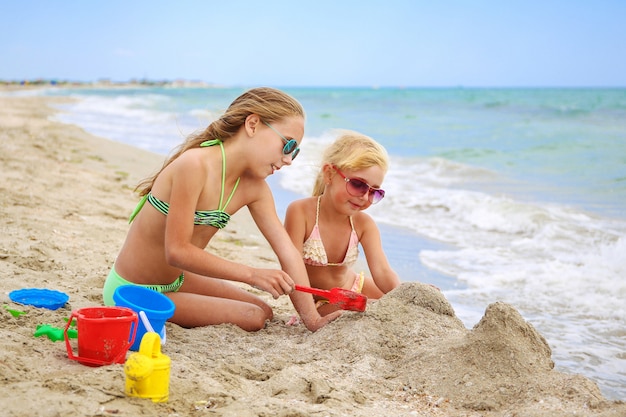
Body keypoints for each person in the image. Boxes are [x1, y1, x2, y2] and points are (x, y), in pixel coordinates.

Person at [103, 87, 340, 332]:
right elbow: (176, 251)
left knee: (265, 311)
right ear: (253, 124)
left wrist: (312, 319)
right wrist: (252, 274)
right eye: (288, 145)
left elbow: (288, 252)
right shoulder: (194, 165)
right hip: (132, 291)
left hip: (175, 281)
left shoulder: (254, 188)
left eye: (295, 152)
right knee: (252, 316)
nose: (288, 160)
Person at [284, 131, 401, 316]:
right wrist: (310, 316)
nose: (364, 197)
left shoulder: (364, 224)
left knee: (398, 303)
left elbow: (382, 272)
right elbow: (291, 269)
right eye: (357, 184)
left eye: (374, 192)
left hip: (357, 287)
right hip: (320, 301)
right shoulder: (300, 213)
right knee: (368, 307)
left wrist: (407, 294)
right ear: (329, 174)